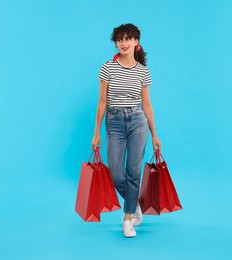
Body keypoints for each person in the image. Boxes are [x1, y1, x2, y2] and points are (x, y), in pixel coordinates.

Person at [91, 23, 162, 238]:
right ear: (116, 42)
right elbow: (102, 101)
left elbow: (147, 105)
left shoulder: (143, 71)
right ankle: (134, 203)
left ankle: (127, 219)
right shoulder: (107, 67)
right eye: (120, 39)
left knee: (133, 173)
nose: (124, 43)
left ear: (136, 42)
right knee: (115, 174)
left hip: (138, 121)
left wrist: (155, 134)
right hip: (114, 122)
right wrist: (96, 132)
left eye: (128, 38)